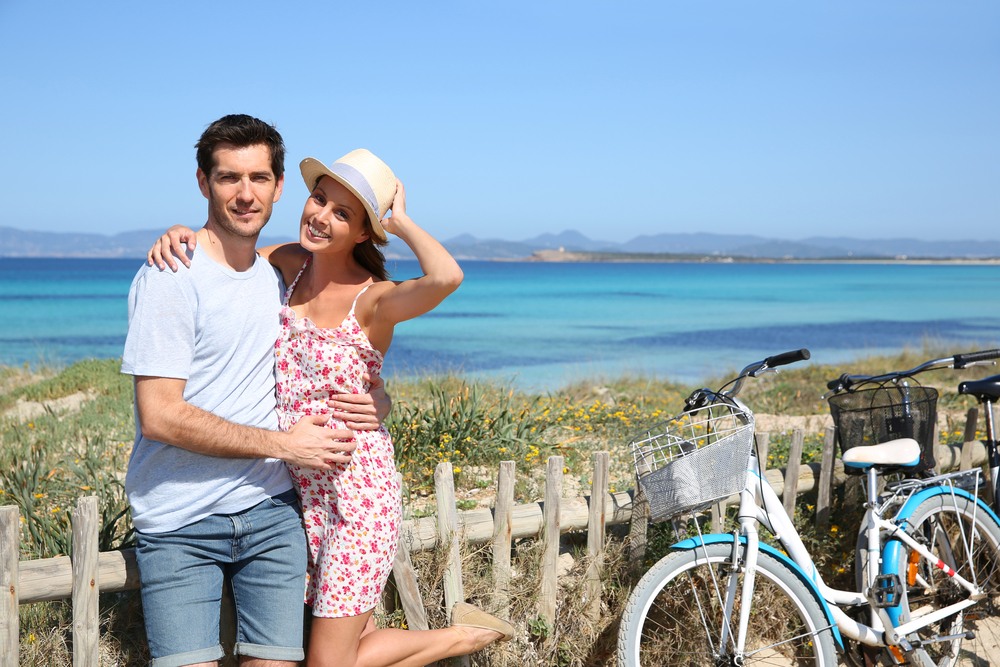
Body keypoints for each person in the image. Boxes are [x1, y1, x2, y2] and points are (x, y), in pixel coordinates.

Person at [149, 148, 515, 666]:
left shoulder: (375, 299)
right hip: (301, 495)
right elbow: (224, 250)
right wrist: (180, 234)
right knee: (347, 648)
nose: (320, 216)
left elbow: (446, 277)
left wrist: (400, 223)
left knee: (327, 662)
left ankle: (465, 635)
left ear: (363, 233)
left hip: (358, 495)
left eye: (342, 213)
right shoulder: (289, 264)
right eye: (319, 199)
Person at [123, 114, 388, 667]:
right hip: (180, 522)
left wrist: (378, 398)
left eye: (259, 178)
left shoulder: (281, 275)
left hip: (272, 512)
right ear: (204, 182)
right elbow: (159, 416)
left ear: (279, 186)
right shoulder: (173, 275)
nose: (245, 194)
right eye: (228, 178)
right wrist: (284, 445)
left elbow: (334, 355)